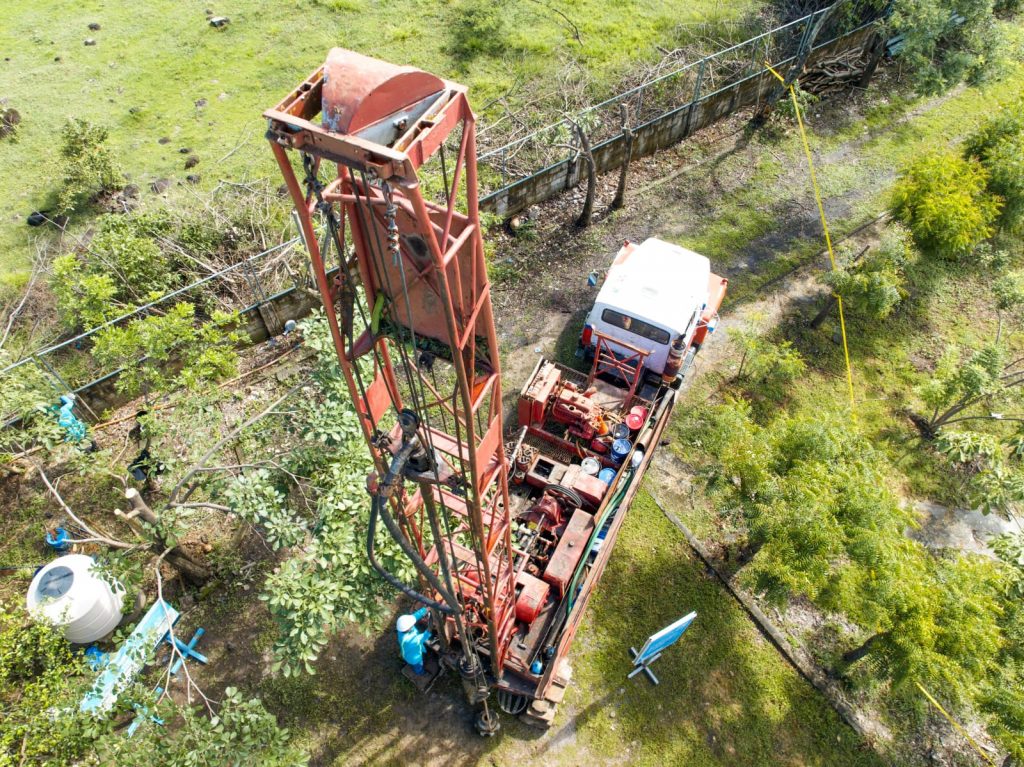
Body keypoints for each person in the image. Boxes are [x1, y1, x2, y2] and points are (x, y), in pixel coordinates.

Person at [396, 607, 431, 675]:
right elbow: (423, 636)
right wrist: (430, 628)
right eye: (412, 624)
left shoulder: (401, 630)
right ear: (408, 628)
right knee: (419, 666)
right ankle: (420, 672)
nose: (413, 624)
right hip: (414, 659)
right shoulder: (410, 640)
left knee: (416, 654)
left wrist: (425, 610)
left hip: (409, 652)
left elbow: (414, 617)